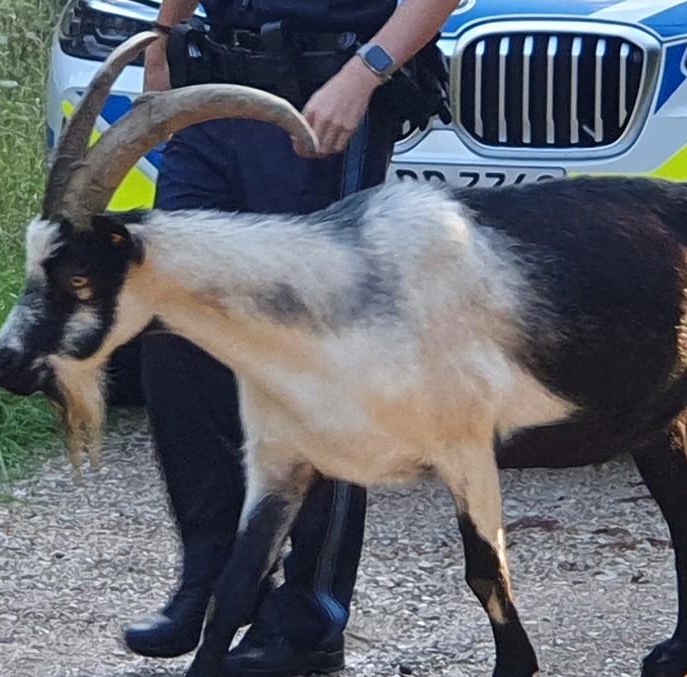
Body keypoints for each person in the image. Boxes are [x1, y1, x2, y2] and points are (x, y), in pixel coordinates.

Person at [122, 1, 457, 675]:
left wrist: (365, 73)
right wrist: (163, 35)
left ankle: (309, 617)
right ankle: (215, 572)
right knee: (170, 319)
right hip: (217, 89)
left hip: (327, 92)